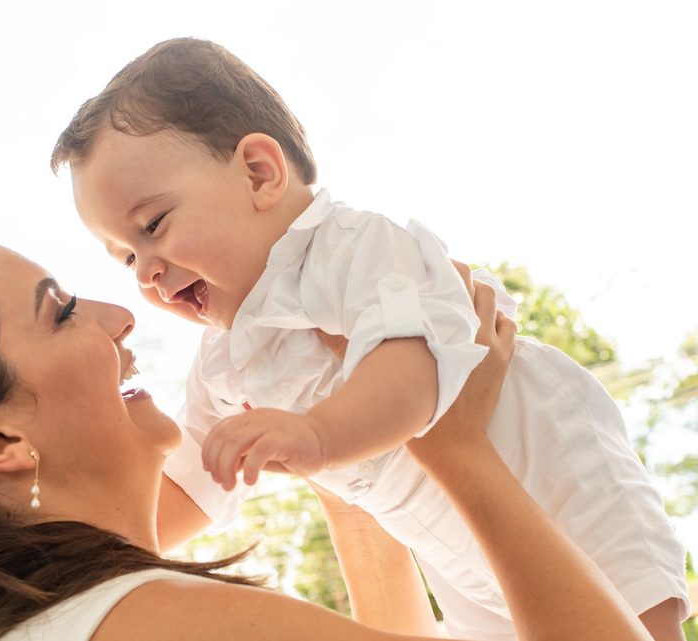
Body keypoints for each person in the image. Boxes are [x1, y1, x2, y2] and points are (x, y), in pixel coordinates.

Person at [53, 37, 690, 640]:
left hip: (548, 465)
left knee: (634, 615)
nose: (148, 272)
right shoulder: (223, 361)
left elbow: (414, 366)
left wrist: (317, 436)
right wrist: (75, 555)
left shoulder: (353, 248)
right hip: (450, 545)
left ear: (258, 172)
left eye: (154, 226)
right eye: (126, 259)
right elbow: (188, 489)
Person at [0, 222, 654, 641]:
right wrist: (454, 447)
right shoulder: (151, 623)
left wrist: (349, 451)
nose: (121, 313)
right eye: (58, 311)